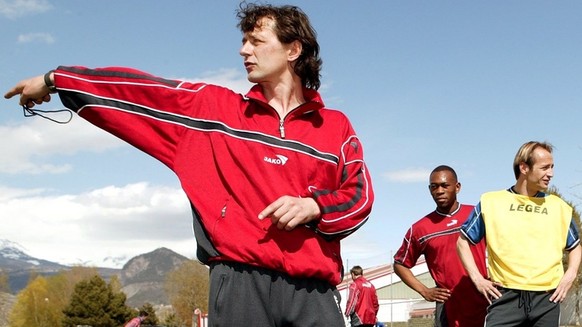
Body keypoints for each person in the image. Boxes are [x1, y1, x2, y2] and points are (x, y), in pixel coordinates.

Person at [4, 3, 374, 326]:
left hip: (313, 291)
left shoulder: (335, 126)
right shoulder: (213, 111)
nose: (244, 50)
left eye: (256, 42)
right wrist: (56, 80)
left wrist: (314, 206)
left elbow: (359, 197)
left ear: (293, 49)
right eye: (243, 41)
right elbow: (140, 91)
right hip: (239, 284)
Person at [457, 141, 582, 327]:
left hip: (547, 299)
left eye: (552, 167)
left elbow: (575, 247)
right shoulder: (491, 202)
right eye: (545, 168)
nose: (551, 174)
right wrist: (477, 279)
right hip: (505, 297)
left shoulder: (559, 207)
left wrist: (570, 275)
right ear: (524, 167)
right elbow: (462, 242)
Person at [393, 165, 488, 327]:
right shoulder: (420, 228)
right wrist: (424, 290)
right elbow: (400, 264)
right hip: (448, 304)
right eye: (434, 186)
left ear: (457, 187)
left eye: (445, 185)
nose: (439, 191)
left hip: (485, 296)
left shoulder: (478, 214)